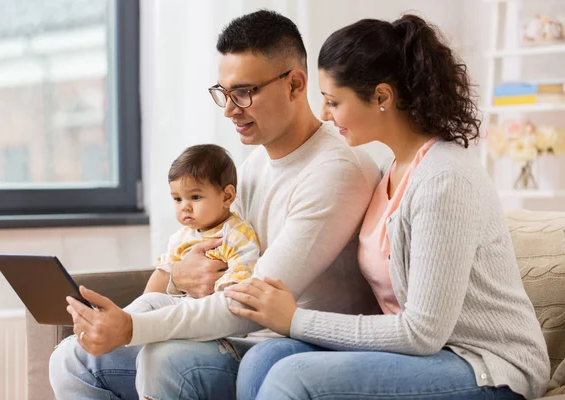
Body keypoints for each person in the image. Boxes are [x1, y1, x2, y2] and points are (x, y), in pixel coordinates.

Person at [49, 10, 381, 400]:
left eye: (243, 93)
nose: (229, 109)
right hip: (240, 338)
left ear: (295, 84)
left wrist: (130, 328)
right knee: (71, 358)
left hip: (292, 349)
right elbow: (215, 256)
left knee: (167, 359)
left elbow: (248, 303)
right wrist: (175, 278)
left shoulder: (336, 169)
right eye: (223, 93)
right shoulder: (255, 165)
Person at [224, 14, 550, 400]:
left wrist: (295, 319)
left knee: (294, 376)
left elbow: (422, 332)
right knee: (266, 358)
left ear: (381, 97)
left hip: (486, 363)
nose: (325, 114)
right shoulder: (390, 171)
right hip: (424, 356)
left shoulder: (444, 178)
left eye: (333, 101)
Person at [124, 144, 260, 315]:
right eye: (177, 199)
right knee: (148, 302)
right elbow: (165, 273)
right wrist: (145, 303)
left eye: (195, 197)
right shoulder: (180, 237)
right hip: (183, 305)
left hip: (215, 314)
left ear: (227, 197)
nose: (185, 207)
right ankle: (122, 322)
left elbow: (239, 282)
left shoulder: (236, 234)